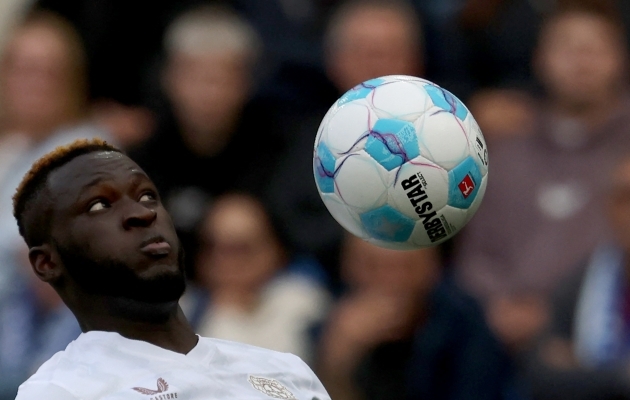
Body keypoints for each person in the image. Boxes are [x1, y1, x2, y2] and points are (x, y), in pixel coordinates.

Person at [12, 138, 331, 399]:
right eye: (100, 205)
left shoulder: (288, 372)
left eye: (147, 196)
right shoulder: (60, 392)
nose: (141, 213)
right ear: (48, 263)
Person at [453, 3, 630, 356]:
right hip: (498, 332)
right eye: (567, 47)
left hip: (604, 332)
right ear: (539, 59)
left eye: (594, 48)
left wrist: (558, 312)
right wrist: (498, 306)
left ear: (620, 59)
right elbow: (476, 254)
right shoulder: (503, 146)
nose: (581, 61)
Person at [265, 0, 425, 292]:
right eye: (362, 51)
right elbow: (290, 219)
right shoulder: (305, 139)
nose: (377, 63)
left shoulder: (449, 132)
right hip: (329, 281)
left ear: (414, 61)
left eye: (390, 51)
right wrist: (360, 237)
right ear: (335, 60)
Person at [127, 4, 285, 277]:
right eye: (196, 78)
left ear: (247, 81)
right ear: (170, 78)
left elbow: (282, 243)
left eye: (222, 79)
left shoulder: (277, 146)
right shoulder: (143, 154)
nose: (209, 93)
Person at [316, 234, 522, 400]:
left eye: (406, 267)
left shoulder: (469, 332)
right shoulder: (324, 326)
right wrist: (336, 366)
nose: (390, 282)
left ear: (434, 268)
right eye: (373, 266)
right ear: (346, 268)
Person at [181, 192, 331, 366]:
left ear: (277, 251)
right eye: (210, 246)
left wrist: (230, 315)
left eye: (240, 249)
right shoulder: (178, 313)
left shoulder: (306, 306)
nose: (222, 261)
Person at [525, 155, 630, 400]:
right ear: (608, 207)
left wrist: (584, 367)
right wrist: (620, 376)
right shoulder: (579, 284)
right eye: (624, 199)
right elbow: (542, 375)